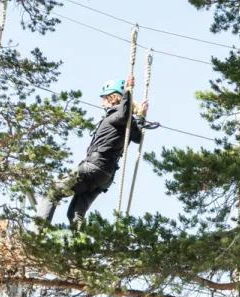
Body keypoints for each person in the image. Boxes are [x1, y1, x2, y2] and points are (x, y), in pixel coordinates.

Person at [35, 78, 157, 227]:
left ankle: (35, 240)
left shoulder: (117, 115)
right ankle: (79, 248)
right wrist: (140, 116)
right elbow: (137, 136)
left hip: (93, 168)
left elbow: (125, 115)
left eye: (104, 99)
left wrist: (127, 91)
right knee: (75, 214)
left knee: (52, 193)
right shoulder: (127, 122)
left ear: (113, 98)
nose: (102, 103)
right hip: (104, 177)